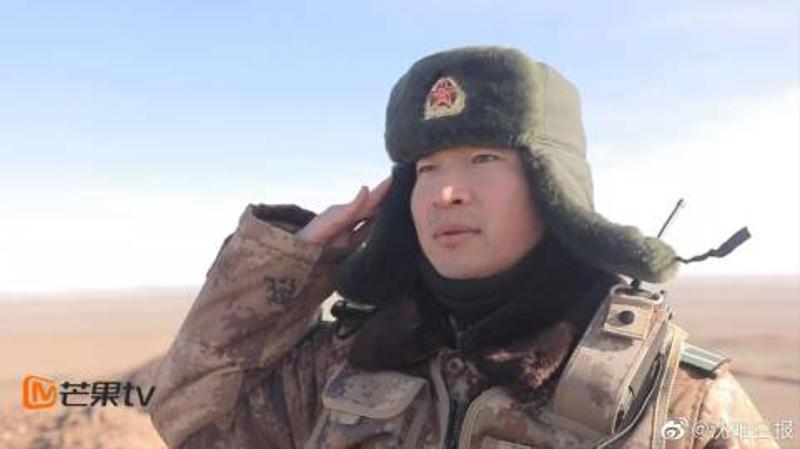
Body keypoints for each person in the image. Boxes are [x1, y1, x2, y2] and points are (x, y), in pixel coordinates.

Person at [148, 46, 779, 449]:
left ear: (552, 188)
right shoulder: (349, 361)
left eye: (483, 159)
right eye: (426, 168)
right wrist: (293, 261)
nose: (445, 193)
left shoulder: (676, 397)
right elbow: (194, 419)